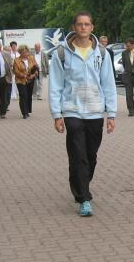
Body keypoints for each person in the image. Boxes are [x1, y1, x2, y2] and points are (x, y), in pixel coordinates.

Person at [49, 11, 117, 217]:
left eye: (87, 24)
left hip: (95, 111)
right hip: (72, 110)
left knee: (90, 156)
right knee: (78, 155)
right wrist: (57, 114)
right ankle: (84, 198)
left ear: (92, 27)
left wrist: (111, 114)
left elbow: (108, 83)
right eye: (80, 24)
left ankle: (79, 183)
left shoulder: (101, 53)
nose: (83, 27)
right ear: (74, 27)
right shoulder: (61, 53)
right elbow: (55, 84)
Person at [13, 44, 38, 119]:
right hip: (20, 81)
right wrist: (24, 76)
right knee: (23, 95)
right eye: (23, 52)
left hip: (30, 80)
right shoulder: (16, 60)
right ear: (20, 53)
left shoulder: (31, 58)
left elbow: (36, 67)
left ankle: (27, 111)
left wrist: (33, 75)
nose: (25, 53)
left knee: (29, 95)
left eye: (26, 52)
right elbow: (16, 71)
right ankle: (24, 113)